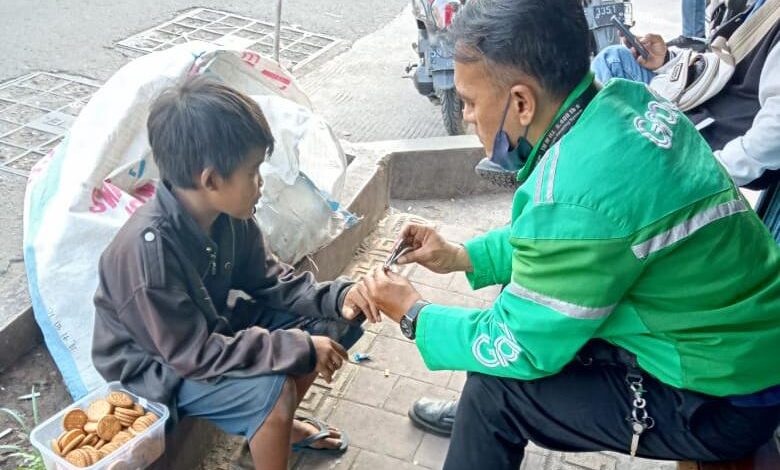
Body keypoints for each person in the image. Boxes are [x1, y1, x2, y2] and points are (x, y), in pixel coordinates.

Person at [360, 0, 780, 468]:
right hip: (741, 345)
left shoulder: (576, 190)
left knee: (495, 390)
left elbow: (518, 342)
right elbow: (560, 245)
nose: (468, 117)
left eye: (471, 102)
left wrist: (414, 314)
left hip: (724, 397)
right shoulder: (622, 100)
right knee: (522, 302)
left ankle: (478, 426)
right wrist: (459, 255)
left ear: (521, 102)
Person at [92, 77, 379, 470]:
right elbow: (191, 355)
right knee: (272, 390)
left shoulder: (229, 217)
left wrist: (340, 298)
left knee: (332, 321)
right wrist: (300, 347)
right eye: (253, 171)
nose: (261, 183)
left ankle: (273, 431)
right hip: (157, 367)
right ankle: (270, 422)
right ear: (210, 180)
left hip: (207, 331)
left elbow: (270, 281)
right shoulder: (148, 254)